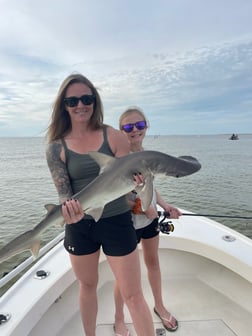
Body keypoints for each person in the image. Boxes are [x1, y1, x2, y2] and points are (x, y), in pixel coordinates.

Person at [45, 74, 155, 336]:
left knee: (133, 295)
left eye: (86, 98)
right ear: (64, 105)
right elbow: (64, 193)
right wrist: (67, 211)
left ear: (95, 101)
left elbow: (130, 185)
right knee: (87, 286)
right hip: (80, 226)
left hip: (117, 220)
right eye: (72, 100)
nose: (80, 105)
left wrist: (139, 187)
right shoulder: (55, 148)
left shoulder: (114, 137)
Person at [113, 107, 181, 335]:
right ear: (121, 131)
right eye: (128, 127)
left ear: (146, 127)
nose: (134, 131)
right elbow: (117, 196)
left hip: (149, 223)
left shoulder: (148, 156)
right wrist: (143, 208)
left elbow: (151, 187)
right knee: (122, 277)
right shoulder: (117, 159)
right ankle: (119, 318)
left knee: (153, 263)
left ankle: (159, 306)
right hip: (125, 224)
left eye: (139, 125)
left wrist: (164, 205)